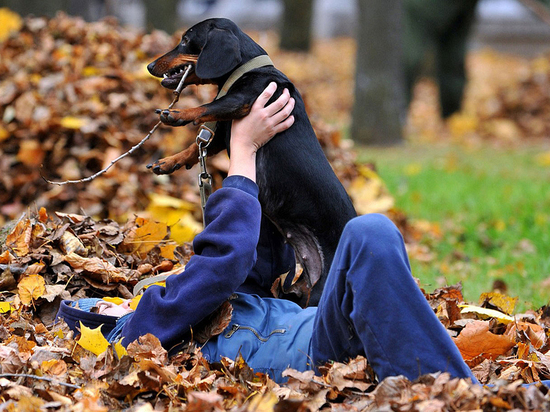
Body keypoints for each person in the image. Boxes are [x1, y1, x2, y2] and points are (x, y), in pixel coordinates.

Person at [56, 83, 476, 384]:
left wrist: (264, 153)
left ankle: (461, 388)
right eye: (105, 304)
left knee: (370, 236)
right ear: (98, 325)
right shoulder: (140, 332)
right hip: (315, 351)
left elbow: (255, 259)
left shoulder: (196, 313)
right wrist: (242, 155)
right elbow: (224, 262)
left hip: (329, 324)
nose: (122, 296)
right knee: (370, 232)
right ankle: (461, 396)